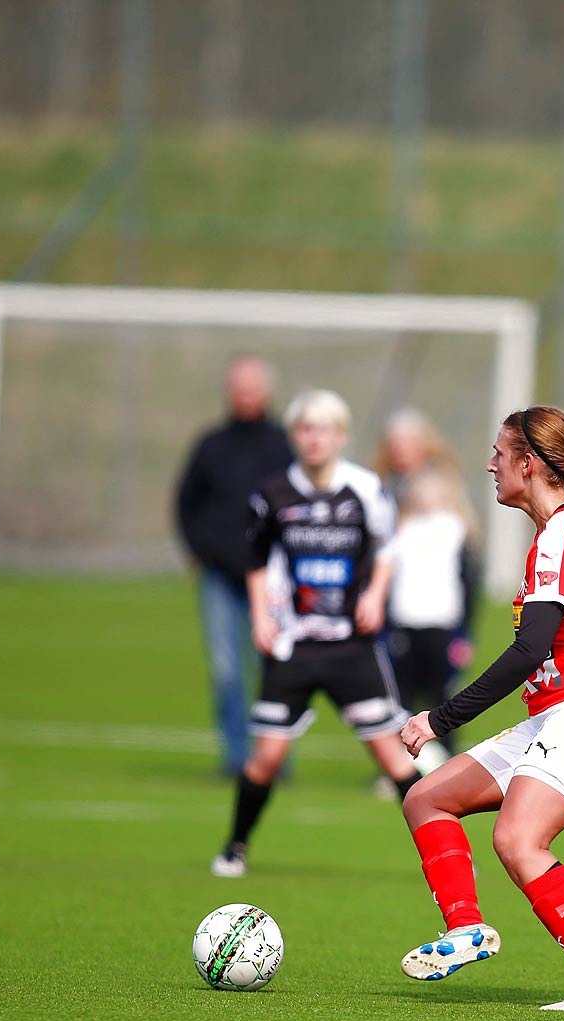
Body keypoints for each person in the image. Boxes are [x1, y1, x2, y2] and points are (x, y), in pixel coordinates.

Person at [396, 406, 564, 1013]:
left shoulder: (562, 536)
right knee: (426, 799)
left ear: (528, 463)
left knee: (517, 839)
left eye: (499, 453)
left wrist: (440, 718)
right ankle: (464, 928)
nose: (490, 464)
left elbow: (528, 651)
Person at [211, 389, 422, 878]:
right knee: (265, 758)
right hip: (293, 646)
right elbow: (257, 561)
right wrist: (262, 617)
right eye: (305, 429)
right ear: (294, 436)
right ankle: (235, 847)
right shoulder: (272, 494)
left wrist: (373, 596)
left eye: (324, 429)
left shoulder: (366, 489)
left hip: (353, 647)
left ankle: (448, 854)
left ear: (341, 436)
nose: (314, 439)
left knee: (394, 759)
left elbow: (388, 548)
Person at [175, 355, 295, 778]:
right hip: (221, 579)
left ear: (266, 391)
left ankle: (274, 759)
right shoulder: (211, 445)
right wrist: (202, 551)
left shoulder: (285, 446)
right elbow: (186, 505)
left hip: (273, 581)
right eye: (238, 386)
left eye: (252, 386)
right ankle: (235, 758)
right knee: (226, 671)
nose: (245, 394)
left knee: (274, 672)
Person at [386, 469, 477, 759]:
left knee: (442, 696)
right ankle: (399, 762)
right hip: (406, 624)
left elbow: (468, 586)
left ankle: (445, 757)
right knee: (403, 697)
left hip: (441, 625)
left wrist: (464, 635)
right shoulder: (401, 530)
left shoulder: (455, 530)